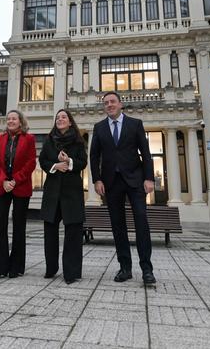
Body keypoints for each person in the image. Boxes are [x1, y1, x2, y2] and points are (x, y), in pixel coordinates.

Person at [90, 91, 156, 285]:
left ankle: (147, 270)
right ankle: (125, 268)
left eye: (112, 102)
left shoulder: (135, 124)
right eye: (106, 103)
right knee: (118, 226)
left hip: (135, 181)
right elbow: (94, 156)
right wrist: (97, 180)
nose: (109, 105)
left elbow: (146, 153)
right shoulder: (99, 127)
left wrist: (149, 178)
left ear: (120, 104)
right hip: (111, 183)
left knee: (141, 222)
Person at [39, 109, 87, 284]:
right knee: (50, 233)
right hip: (52, 192)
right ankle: (51, 269)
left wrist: (69, 161)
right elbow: (42, 160)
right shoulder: (49, 140)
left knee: (73, 234)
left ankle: (71, 272)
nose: (60, 119)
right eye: (58, 117)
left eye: (63, 117)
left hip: (72, 193)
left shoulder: (78, 140)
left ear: (70, 121)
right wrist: (55, 166)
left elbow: (83, 162)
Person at [0, 109, 36, 279]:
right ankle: (1, 266)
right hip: (2, 187)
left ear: (20, 121)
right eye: (8, 118)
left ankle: (16, 267)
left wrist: (15, 180)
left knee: (19, 227)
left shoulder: (29, 139)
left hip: (20, 186)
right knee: (0, 226)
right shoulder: (0, 139)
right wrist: (3, 180)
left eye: (14, 118)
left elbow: (31, 162)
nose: (10, 121)